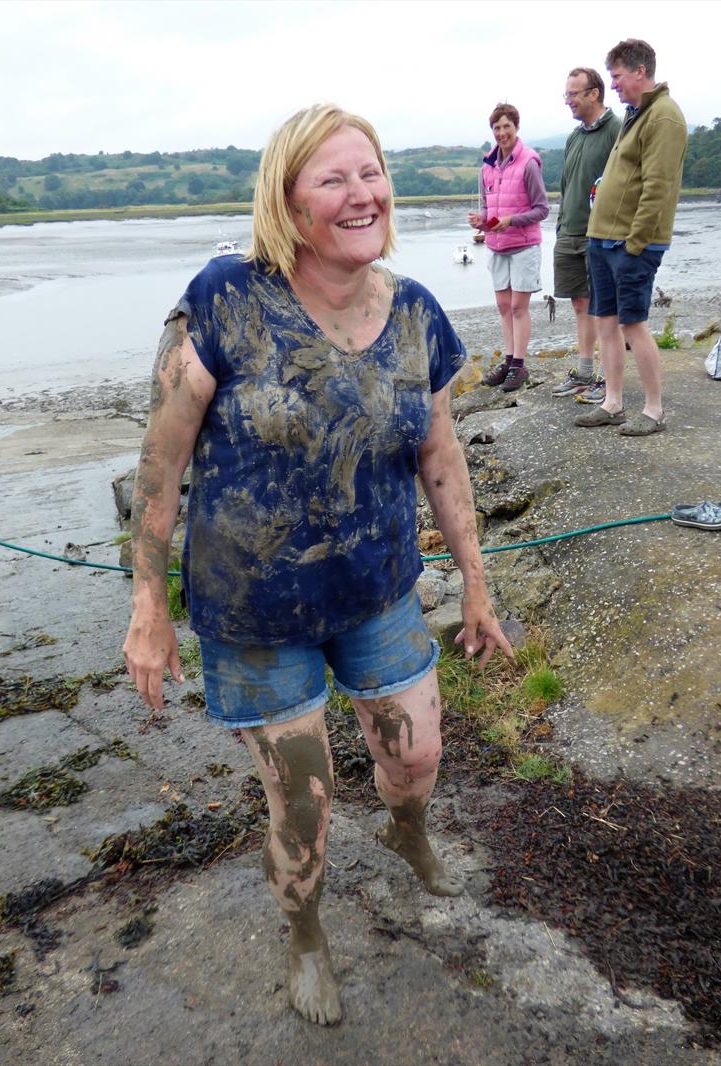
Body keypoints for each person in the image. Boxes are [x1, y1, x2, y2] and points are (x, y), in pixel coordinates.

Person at [123, 104, 514, 1028]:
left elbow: (442, 455)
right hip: (253, 614)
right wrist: (149, 603)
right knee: (301, 805)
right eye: (333, 179)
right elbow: (160, 461)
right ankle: (307, 936)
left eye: (370, 173)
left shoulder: (415, 313)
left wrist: (477, 581)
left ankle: (409, 831)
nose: (361, 194)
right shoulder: (225, 299)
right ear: (288, 201)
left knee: (416, 756)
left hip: (377, 593)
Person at [575, 38, 687, 435]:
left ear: (640, 71)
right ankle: (613, 403)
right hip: (603, 238)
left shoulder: (664, 116)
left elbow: (657, 186)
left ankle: (654, 410)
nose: (615, 85)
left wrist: (635, 241)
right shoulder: (637, 113)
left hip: (630, 243)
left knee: (633, 324)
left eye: (617, 77)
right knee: (605, 322)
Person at [468, 103, 549, 392]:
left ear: (516, 128)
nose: (502, 133)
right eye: (497, 128)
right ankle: (509, 360)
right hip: (497, 245)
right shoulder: (487, 167)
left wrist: (511, 220)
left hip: (524, 245)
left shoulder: (528, 162)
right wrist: (482, 222)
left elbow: (542, 209)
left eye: (507, 127)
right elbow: (487, 210)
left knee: (518, 306)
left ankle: (519, 366)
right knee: (503, 306)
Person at [551, 67, 621, 400]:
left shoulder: (617, 130)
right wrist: (562, 223)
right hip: (570, 230)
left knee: (604, 307)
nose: (568, 101)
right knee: (580, 305)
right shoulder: (574, 136)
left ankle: (609, 381)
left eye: (572, 94)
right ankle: (585, 373)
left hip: (600, 233)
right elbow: (568, 186)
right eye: (566, 94)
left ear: (594, 93)